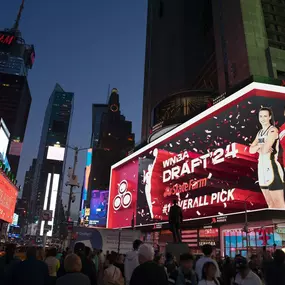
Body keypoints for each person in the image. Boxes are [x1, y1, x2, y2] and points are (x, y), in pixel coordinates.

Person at [249, 107, 285, 208]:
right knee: (270, 204)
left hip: (272, 168)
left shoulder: (273, 130)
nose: (263, 118)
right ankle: (276, 224)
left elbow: (265, 150)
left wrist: (259, 147)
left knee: (279, 204)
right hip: (262, 169)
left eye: (265, 116)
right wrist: (261, 146)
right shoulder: (259, 133)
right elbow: (251, 150)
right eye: (261, 116)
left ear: (269, 117)